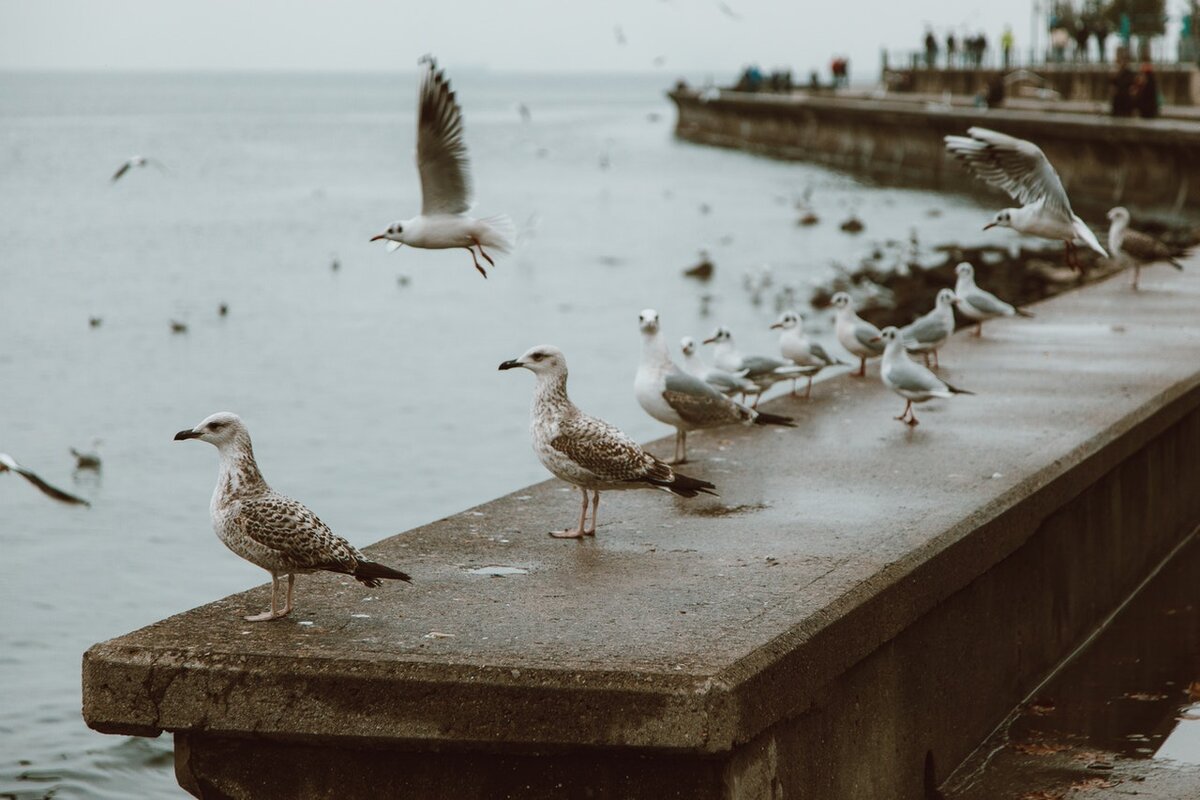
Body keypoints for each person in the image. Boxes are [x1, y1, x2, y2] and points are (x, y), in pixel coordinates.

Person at [1110, 49, 1135, 117]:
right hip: (1119, 101)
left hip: (1125, 100)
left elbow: (1132, 87)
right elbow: (1113, 86)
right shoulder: (1117, 73)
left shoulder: (1129, 73)